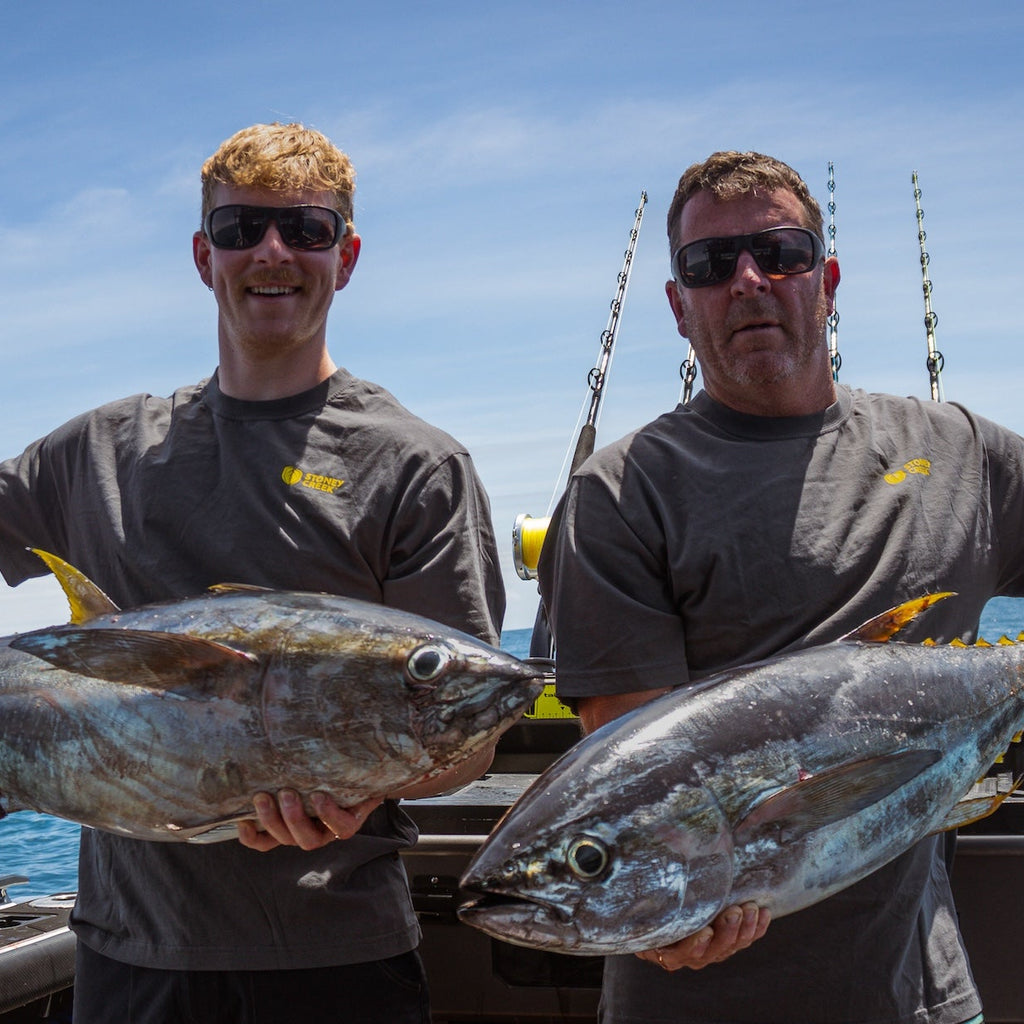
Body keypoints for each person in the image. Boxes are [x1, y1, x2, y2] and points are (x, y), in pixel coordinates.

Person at [0, 122, 505, 1023]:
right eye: (242, 229)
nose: (273, 252)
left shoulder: (416, 468)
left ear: (345, 257)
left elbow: (467, 740)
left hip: (337, 955)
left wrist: (364, 789)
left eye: (305, 228)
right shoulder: (97, 454)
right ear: (206, 257)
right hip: (129, 951)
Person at [537, 151, 1012, 1023]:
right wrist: (649, 921)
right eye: (710, 264)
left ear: (826, 281)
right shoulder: (621, 493)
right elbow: (638, 793)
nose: (749, 280)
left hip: (923, 996)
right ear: (678, 305)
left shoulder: (965, 454)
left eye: (782, 252)